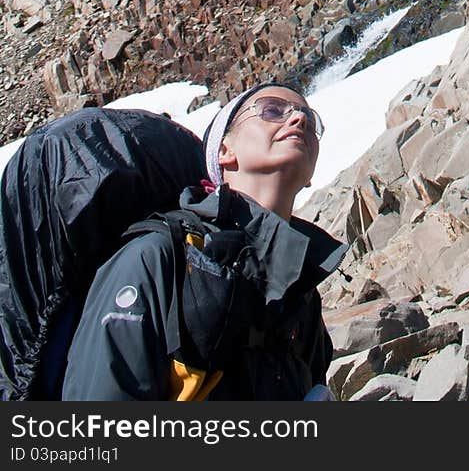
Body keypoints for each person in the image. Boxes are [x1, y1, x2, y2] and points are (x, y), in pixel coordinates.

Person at [61, 82, 346, 401]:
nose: (299, 120)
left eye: (309, 117)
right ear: (224, 151)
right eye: (272, 111)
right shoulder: (161, 256)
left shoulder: (301, 291)